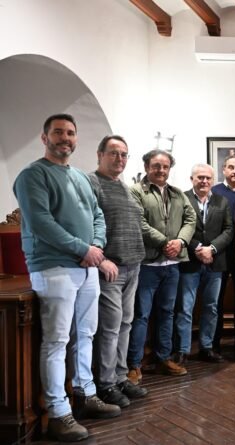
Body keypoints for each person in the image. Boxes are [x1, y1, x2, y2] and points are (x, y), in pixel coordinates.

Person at [14, 114, 119, 441]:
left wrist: (96, 247)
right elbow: (41, 222)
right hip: (53, 266)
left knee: (86, 334)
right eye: (58, 132)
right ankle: (58, 413)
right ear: (44, 138)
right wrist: (83, 249)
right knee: (57, 341)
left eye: (71, 133)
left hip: (87, 266)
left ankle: (85, 394)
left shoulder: (81, 177)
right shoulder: (32, 175)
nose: (65, 138)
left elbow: (98, 216)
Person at [87, 135, 149, 409]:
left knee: (125, 325)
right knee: (109, 329)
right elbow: (86, 224)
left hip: (133, 266)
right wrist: (101, 261)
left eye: (124, 154)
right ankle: (106, 384)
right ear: (100, 154)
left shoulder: (124, 187)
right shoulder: (91, 183)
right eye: (114, 153)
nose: (120, 158)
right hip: (110, 269)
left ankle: (121, 377)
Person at [128, 149, 197, 380]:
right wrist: (165, 242)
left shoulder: (177, 193)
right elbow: (138, 223)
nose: (161, 170)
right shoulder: (136, 191)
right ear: (147, 167)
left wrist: (181, 242)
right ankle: (134, 363)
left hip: (172, 265)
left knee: (167, 313)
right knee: (141, 315)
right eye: (156, 166)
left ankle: (163, 358)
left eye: (165, 166)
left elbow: (190, 219)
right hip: (147, 265)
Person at [175, 164, 233, 364]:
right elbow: (177, 227)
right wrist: (198, 248)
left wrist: (212, 249)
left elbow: (228, 230)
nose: (204, 181)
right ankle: (182, 350)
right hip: (190, 261)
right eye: (200, 177)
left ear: (213, 180)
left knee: (211, 307)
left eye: (208, 178)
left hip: (215, 263)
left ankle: (206, 348)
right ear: (192, 179)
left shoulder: (222, 201)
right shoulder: (182, 198)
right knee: (185, 308)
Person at [210, 155, 235, 354]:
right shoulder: (214, 191)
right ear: (223, 170)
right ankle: (214, 345)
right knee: (216, 300)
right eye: (231, 167)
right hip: (220, 253)